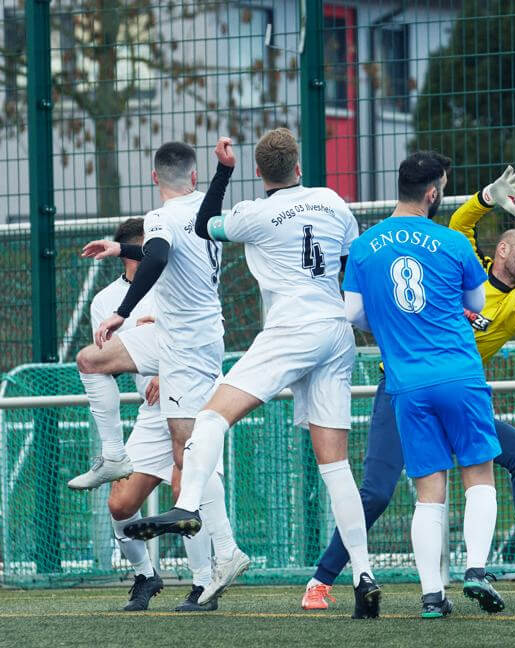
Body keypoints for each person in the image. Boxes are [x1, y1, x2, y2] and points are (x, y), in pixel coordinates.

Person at [303, 166, 515, 609]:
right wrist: (486, 197)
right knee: (379, 491)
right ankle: (322, 578)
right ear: (501, 249)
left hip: (454, 388)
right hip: (403, 386)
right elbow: (458, 224)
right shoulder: (462, 261)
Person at [124, 129, 381, 619]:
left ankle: (188, 507)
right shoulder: (333, 201)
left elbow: (205, 224)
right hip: (336, 331)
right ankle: (364, 576)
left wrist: (224, 172)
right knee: (336, 468)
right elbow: (350, 266)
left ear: (259, 173)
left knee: (210, 418)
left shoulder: (254, 214)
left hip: (292, 330)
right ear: (299, 167)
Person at [77, 142, 241, 607]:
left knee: (187, 457)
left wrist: (123, 311)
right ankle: (114, 455)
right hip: (175, 337)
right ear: (193, 178)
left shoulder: (160, 218)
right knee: (91, 359)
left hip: (188, 348)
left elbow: (159, 256)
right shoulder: (205, 212)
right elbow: (162, 248)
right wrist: (224, 172)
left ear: (154, 178)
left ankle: (223, 556)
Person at [341, 151, 502, 619]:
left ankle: (432, 595)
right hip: (459, 373)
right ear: (432, 193)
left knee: (428, 491)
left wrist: (390, 323)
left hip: (406, 383)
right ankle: (476, 569)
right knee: (479, 475)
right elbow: (476, 302)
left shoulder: (365, 246)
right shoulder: (452, 241)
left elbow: (354, 313)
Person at [81, 217, 217, 612]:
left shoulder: (181, 281)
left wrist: (166, 369)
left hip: (193, 400)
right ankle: (145, 575)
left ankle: (203, 585)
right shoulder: (104, 302)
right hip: (152, 412)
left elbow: (210, 329)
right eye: (154, 245)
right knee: (120, 505)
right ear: (136, 251)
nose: (163, 251)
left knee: (184, 492)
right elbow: (108, 360)